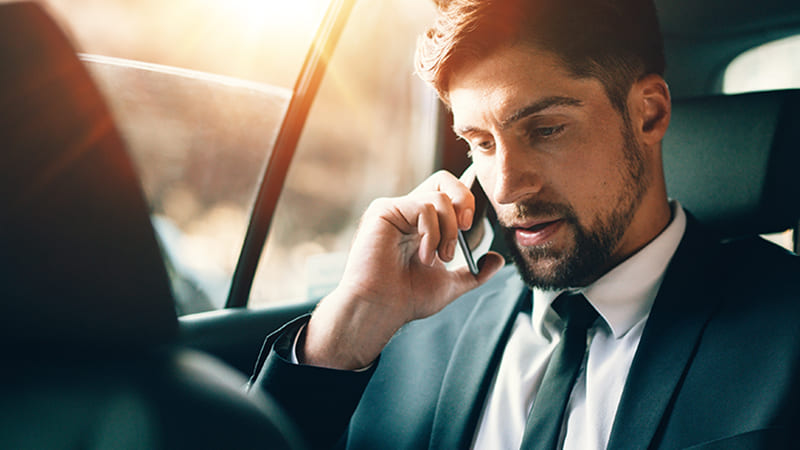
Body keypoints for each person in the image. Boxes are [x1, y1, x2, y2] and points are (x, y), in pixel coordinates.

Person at [249, 0, 800, 448]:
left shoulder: (785, 331)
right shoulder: (407, 330)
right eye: (481, 144)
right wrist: (355, 320)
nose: (506, 188)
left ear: (649, 112)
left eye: (546, 130)